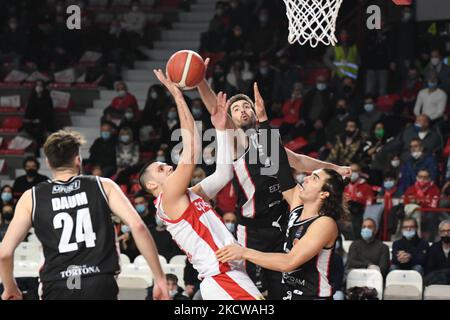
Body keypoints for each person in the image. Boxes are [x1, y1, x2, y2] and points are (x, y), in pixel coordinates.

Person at [196, 74, 351, 299]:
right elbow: (215, 108)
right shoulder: (236, 139)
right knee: (256, 292)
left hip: (282, 222)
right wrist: (200, 79)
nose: (242, 110)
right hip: (252, 228)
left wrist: (334, 167)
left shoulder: (267, 140)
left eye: (246, 106)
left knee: (283, 287)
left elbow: (298, 161)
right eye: (236, 108)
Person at [0, 129, 168, 300]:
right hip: (99, 281)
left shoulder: (31, 197)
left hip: (56, 284)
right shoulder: (103, 185)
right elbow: (138, 226)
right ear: (78, 160)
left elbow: (4, 252)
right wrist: (160, 279)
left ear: (48, 162)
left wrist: (10, 287)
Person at [139, 69, 263, 300]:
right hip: (222, 275)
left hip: (227, 275)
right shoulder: (169, 199)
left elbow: (224, 174)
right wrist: (177, 95)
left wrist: (220, 128)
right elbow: (192, 149)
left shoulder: (189, 195)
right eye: (160, 169)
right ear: (153, 187)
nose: (167, 167)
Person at [425, 220, 450, 284]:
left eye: (448, 231)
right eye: (443, 231)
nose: (446, 234)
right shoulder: (433, 248)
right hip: (437, 282)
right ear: (439, 233)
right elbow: (429, 269)